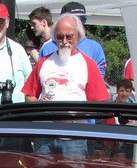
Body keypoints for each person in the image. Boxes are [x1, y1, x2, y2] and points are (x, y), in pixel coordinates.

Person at [22, 14, 109, 158]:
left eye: (69, 37)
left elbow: (100, 103)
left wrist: (75, 111)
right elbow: (28, 96)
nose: (64, 41)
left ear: (78, 36)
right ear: (54, 37)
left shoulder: (89, 64)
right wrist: (39, 103)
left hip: (74, 136)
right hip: (44, 135)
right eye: (60, 36)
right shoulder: (44, 62)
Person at [38, 2, 107, 79]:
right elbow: (39, 76)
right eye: (75, 19)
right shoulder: (48, 48)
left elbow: (99, 77)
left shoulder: (95, 47)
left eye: (82, 19)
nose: (79, 23)